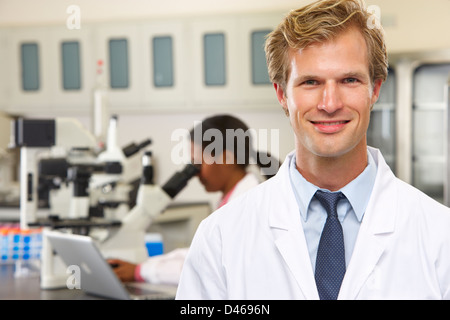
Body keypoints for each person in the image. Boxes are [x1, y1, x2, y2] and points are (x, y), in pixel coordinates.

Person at [176, 0, 450, 300]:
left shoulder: (440, 235)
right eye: (310, 82)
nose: (330, 104)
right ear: (282, 94)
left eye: (349, 80)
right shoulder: (220, 236)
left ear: (375, 89)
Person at [108, 114, 280, 285]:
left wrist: (140, 271)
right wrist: (143, 266)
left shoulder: (246, 204)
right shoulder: (234, 197)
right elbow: (199, 254)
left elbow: (207, 267)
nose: (195, 173)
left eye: (198, 163)